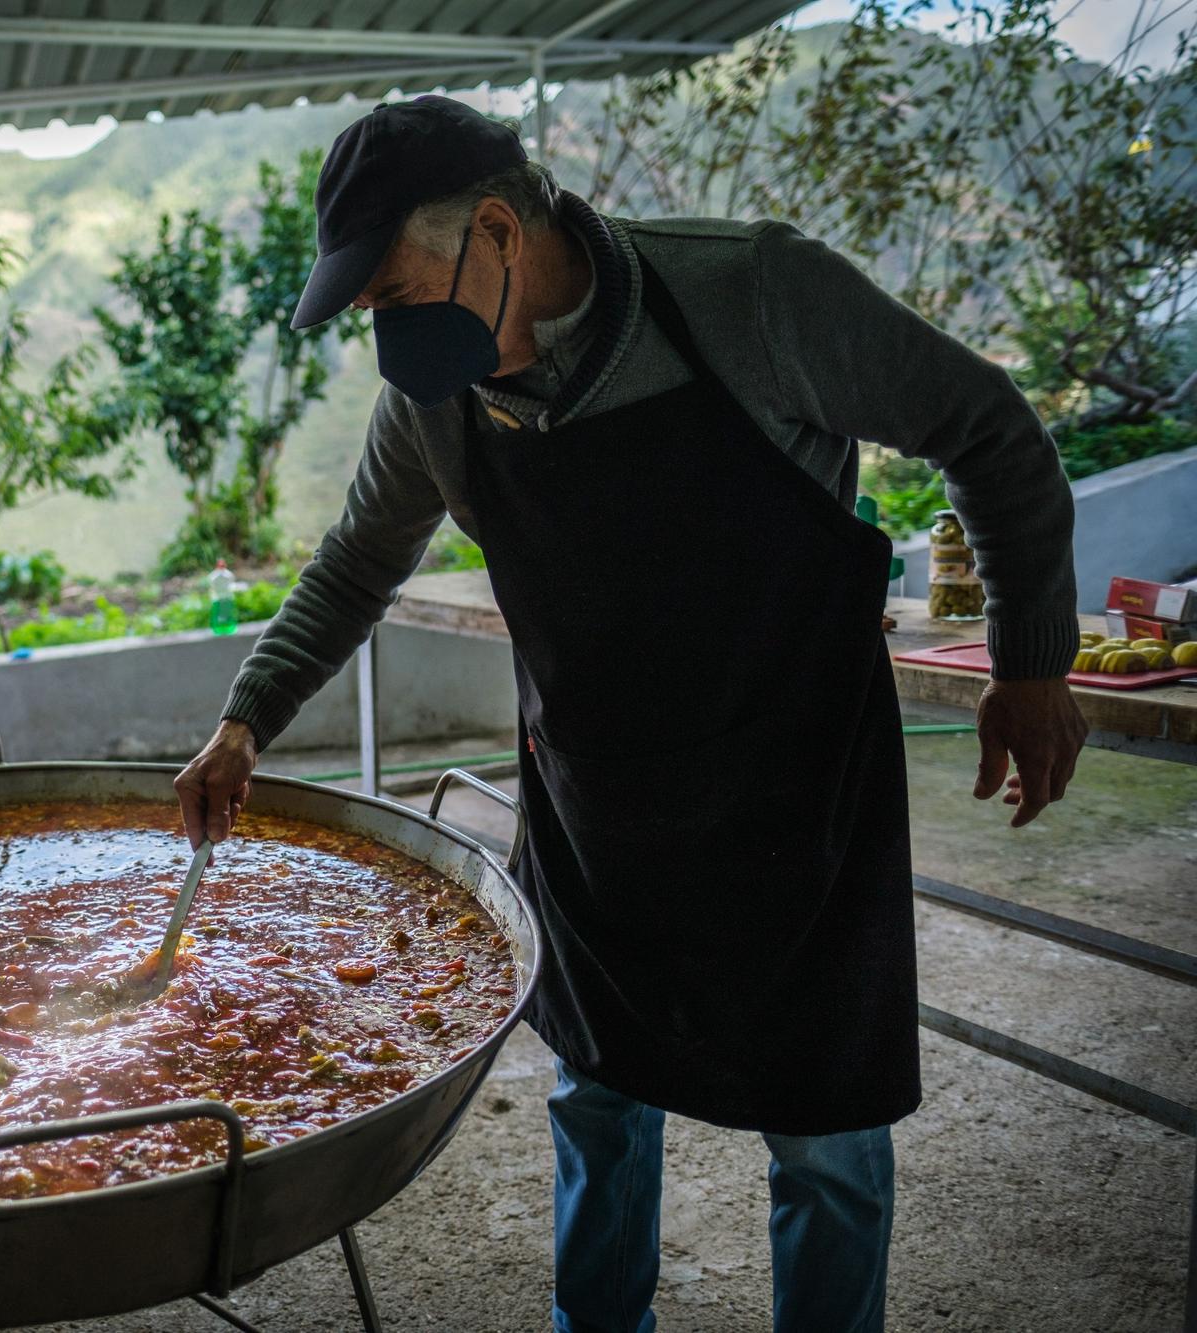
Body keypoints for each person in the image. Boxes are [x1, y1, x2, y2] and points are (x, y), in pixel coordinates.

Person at [172, 95, 1088, 1333]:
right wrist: (246, 718)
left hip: (795, 801)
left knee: (822, 1137)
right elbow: (355, 562)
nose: (391, 337)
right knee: (595, 1104)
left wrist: (1030, 664)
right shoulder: (437, 395)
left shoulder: (751, 295)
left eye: (394, 294)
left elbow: (987, 427)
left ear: (495, 230)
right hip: (595, 805)